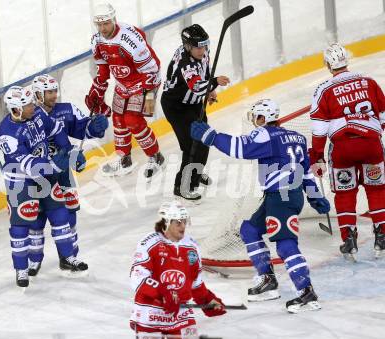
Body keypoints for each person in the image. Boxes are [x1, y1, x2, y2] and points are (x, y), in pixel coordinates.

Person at [191, 99, 331, 313]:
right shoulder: (297, 137)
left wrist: (210, 136)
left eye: (257, 117)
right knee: (250, 229)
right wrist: (314, 196)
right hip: (283, 196)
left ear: (265, 118)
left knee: (285, 244)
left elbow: (241, 148)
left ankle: (306, 292)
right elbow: (306, 171)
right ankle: (268, 280)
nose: (255, 122)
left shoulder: (265, 134)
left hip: (281, 198)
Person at [0, 75, 108, 277]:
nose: (54, 96)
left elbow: (74, 130)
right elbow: (16, 146)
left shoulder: (60, 110)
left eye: (55, 90)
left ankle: (69, 257)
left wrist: (90, 132)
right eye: (49, 92)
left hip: (59, 171)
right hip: (34, 176)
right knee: (34, 220)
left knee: (67, 214)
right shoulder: (16, 124)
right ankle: (31, 262)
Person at [308, 43, 385, 260]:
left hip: (343, 149)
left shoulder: (323, 89)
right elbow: (383, 113)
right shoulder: (368, 81)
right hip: (371, 145)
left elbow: (319, 128)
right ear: (346, 61)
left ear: (327, 64)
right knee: (377, 189)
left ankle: (349, 239)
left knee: (345, 192)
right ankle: (382, 234)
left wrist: (318, 156)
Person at [130, 200, 226, 339]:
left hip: (180, 312)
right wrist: (163, 293)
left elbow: (195, 282)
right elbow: (137, 277)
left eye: (184, 222)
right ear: (166, 223)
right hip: (150, 313)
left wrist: (207, 300)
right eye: (178, 222)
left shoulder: (191, 246)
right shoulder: (149, 242)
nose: (183, 226)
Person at [85, 2, 165, 180]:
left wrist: (148, 97)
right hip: (123, 82)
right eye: (99, 24)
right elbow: (104, 70)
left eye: (106, 23)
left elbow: (151, 69)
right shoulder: (96, 40)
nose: (102, 28)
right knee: (118, 119)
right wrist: (97, 90)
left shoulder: (130, 40)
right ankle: (124, 159)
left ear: (113, 19)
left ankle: (156, 157)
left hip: (147, 80)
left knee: (133, 120)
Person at [161, 24, 230, 202]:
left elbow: (205, 72)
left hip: (193, 104)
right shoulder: (185, 62)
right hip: (176, 107)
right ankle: (182, 186)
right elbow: (197, 86)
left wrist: (210, 89)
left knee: (204, 140)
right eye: (198, 47)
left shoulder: (201, 52)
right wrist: (214, 83)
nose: (203, 50)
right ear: (187, 46)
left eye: (204, 45)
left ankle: (196, 174)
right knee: (192, 145)